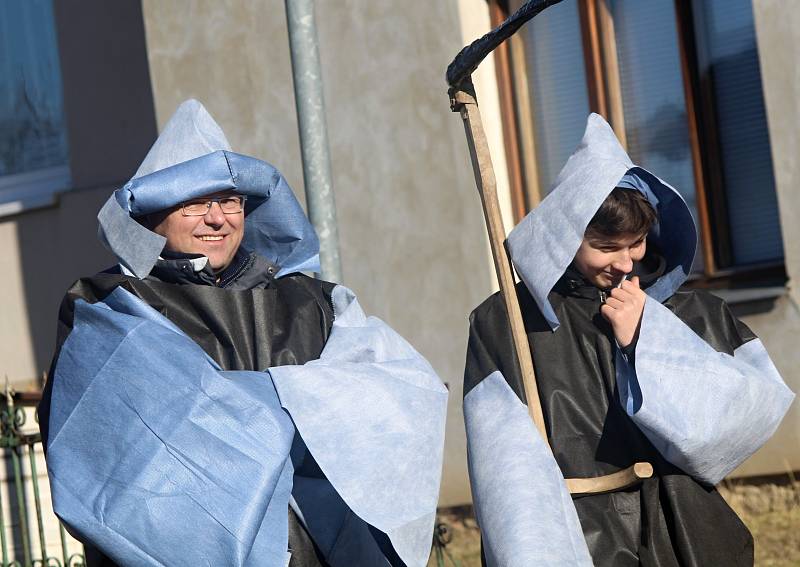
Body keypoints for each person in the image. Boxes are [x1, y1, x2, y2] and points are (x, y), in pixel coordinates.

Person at [39, 99, 448, 567]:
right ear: (154, 214)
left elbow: (395, 387)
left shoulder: (313, 304)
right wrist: (302, 403)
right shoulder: (110, 307)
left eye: (229, 201)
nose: (217, 218)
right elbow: (119, 458)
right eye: (194, 202)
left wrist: (249, 406)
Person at [463, 113, 794, 566]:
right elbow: (505, 468)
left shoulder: (688, 312)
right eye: (606, 247)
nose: (625, 263)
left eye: (636, 243)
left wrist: (649, 340)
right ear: (566, 236)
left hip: (688, 538)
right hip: (581, 539)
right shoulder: (508, 323)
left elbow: (748, 418)